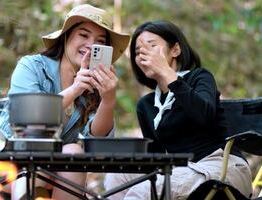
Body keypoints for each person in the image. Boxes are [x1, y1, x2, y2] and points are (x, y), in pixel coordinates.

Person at [0, 4, 130, 199]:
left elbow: (97, 142)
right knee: (36, 156)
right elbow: (27, 118)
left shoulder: (94, 85)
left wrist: (108, 100)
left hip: (57, 174)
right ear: (66, 36)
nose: (90, 45)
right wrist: (75, 89)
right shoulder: (32, 66)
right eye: (83, 35)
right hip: (9, 163)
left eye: (99, 41)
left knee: (74, 150)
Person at [104, 20, 252, 199]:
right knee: (118, 177)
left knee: (144, 191)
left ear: (175, 50)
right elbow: (156, 157)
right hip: (179, 170)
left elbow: (204, 114)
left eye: (151, 46)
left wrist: (167, 74)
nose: (143, 54)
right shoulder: (147, 105)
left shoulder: (200, 77)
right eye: (138, 52)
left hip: (220, 166)